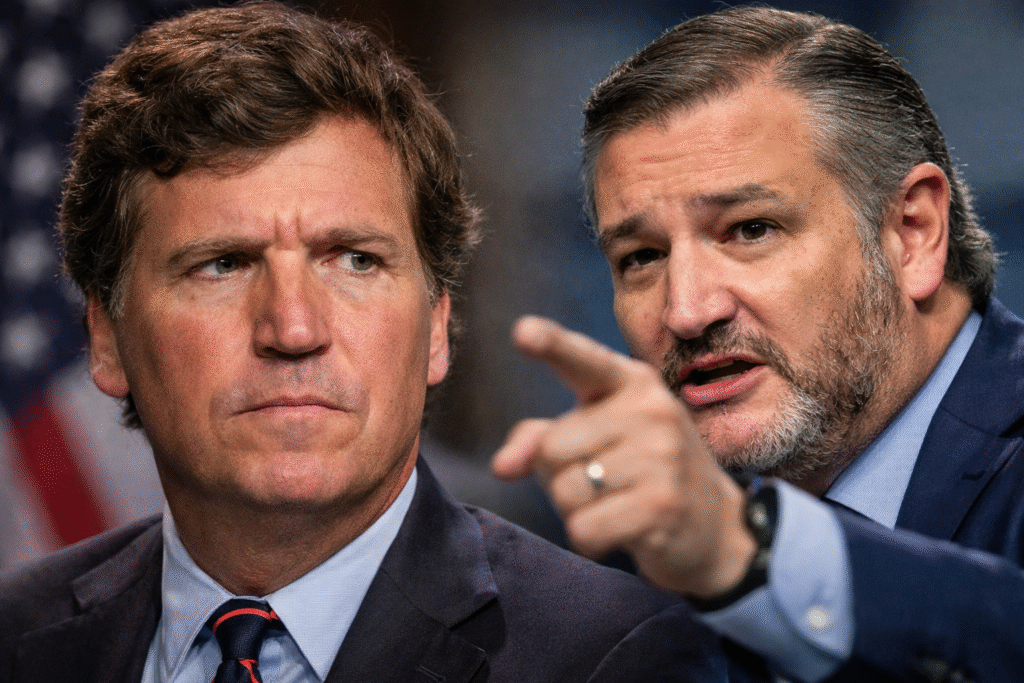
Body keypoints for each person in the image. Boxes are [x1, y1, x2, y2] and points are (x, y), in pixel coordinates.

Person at [0, 3, 726, 682]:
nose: (293, 330)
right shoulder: (17, 636)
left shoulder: (617, 654)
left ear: (437, 326)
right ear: (107, 341)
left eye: (354, 259)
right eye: (221, 264)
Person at [493, 6, 1024, 683]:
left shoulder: (715, 537)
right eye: (642, 257)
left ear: (912, 233)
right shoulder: (626, 559)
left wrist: (751, 554)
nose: (687, 310)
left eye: (749, 230)